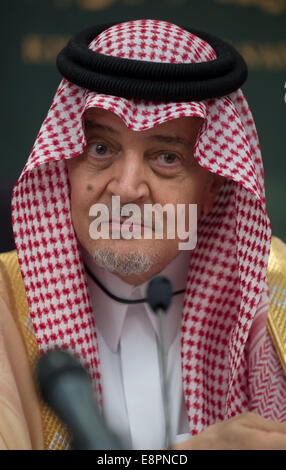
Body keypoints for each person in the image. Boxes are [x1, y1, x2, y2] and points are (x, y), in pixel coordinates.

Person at [0, 19, 286, 450]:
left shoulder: (276, 294)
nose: (127, 188)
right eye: (101, 149)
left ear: (212, 186)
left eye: (166, 156)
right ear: (65, 167)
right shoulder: (6, 304)